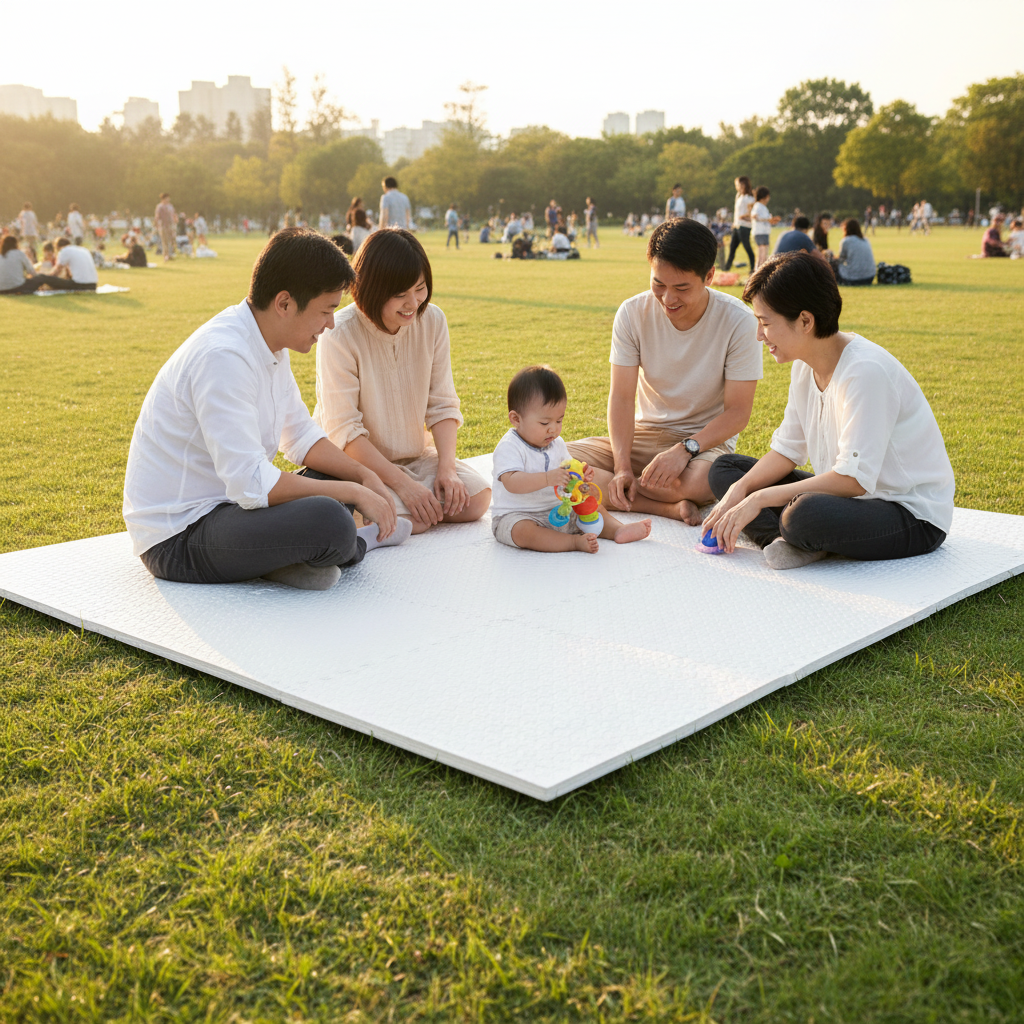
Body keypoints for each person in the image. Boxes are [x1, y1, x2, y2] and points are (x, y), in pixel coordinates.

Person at [123, 228, 406, 590]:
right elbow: (250, 482)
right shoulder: (223, 356)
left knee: (336, 480)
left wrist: (363, 476)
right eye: (326, 310)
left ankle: (282, 558)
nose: (330, 323)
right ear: (285, 303)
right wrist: (355, 494)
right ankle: (356, 542)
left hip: (233, 511)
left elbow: (300, 436)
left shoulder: (269, 343)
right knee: (330, 521)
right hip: (180, 537)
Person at [703, 250, 953, 569]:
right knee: (727, 470)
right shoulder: (804, 366)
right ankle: (792, 543)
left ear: (805, 321)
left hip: (910, 515)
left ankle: (800, 535)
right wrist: (743, 490)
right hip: (850, 502)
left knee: (803, 514)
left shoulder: (865, 371)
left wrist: (761, 498)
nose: (758, 335)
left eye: (765, 323)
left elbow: (854, 481)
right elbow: (787, 451)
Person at [567, 218, 761, 524]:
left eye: (681, 288)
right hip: (642, 436)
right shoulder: (632, 313)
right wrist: (621, 468)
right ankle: (665, 507)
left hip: (702, 445)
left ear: (710, 275)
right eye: (659, 284)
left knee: (703, 480)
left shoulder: (739, 321)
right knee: (552, 461)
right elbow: (621, 398)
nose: (668, 299)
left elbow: (738, 412)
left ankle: (614, 491)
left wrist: (685, 450)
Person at [312, 228, 490, 534]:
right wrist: (405, 486)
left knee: (476, 498)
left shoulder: (432, 320)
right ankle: (375, 511)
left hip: (415, 457)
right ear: (371, 288)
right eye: (399, 294)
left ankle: (390, 514)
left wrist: (447, 470)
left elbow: (442, 404)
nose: (413, 303)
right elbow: (345, 431)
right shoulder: (339, 333)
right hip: (356, 466)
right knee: (415, 516)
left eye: (419, 288)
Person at [491, 366, 652, 553]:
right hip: (518, 515)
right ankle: (573, 542)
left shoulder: (557, 444)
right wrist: (547, 478)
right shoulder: (510, 447)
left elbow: (568, 472)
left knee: (591, 505)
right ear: (516, 419)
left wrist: (581, 475)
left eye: (559, 421)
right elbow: (512, 483)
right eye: (545, 423)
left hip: (559, 509)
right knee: (524, 532)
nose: (553, 429)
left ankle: (617, 529)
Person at [0, 235, 68, 294]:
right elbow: (32, 272)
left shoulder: (1, 255)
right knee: (42, 277)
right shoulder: (19, 254)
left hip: (2, 289)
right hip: (18, 288)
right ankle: (65, 286)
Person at [724, 176, 756, 271]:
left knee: (747, 247)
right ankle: (727, 268)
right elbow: (736, 212)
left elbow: (752, 212)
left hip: (744, 226)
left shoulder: (750, 198)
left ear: (743, 185)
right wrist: (734, 222)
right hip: (737, 225)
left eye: (738, 185)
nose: (737, 187)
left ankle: (752, 267)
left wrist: (744, 216)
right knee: (732, 247)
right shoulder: (738, 196)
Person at [835, 218, 876, 285]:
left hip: (853, 278)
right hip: (869, 277)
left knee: (831, 264)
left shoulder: (846, 241)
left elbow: (840, 260)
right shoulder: (866, 240)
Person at [750, 186, 780, 269]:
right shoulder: (758, 206)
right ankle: (758, 273)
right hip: (760, 233)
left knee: (764, 256)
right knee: (762, 256)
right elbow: (754, 216)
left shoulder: (762, 207)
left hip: (763, 232)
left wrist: (772, 220)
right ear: (765, 197)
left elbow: (765, 219)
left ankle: (759, 272)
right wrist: (768, 219)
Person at [154, 193, 176, 261]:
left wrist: (175, 220)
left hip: (171, 225)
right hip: (163, 226)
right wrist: (156, 224)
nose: (168, 199)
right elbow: (157, 216)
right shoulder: (160, 206)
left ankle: (170, 254)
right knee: (165, 241)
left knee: (172, 240)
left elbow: (173, 214)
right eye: (167, 198)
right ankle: (166, 255)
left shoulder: (170, 206)